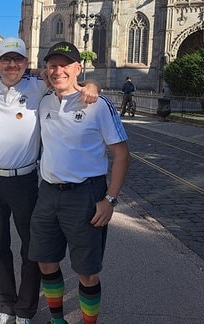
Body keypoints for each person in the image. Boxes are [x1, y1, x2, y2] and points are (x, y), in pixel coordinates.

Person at [0, 38, 99, 324]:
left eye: (18, 59)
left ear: (26, 63)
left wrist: (91, 85)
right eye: (6, 59)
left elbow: (71, 83)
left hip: (24, 181)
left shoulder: (38, 87)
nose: (12, 65)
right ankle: (6, 305)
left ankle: (25, 309)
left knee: (31, 248)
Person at [28, 41, 131, 324]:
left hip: (85, 195)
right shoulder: (44, 100)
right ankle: (58, 320)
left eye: (64, 65)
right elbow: (11, 71)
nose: (57, 70)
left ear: (77, 68)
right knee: (45, 261)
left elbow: (122, 154)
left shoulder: (97, 104)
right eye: (52, 65)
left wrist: (110, 199)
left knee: (87, 270)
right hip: (48, 193)